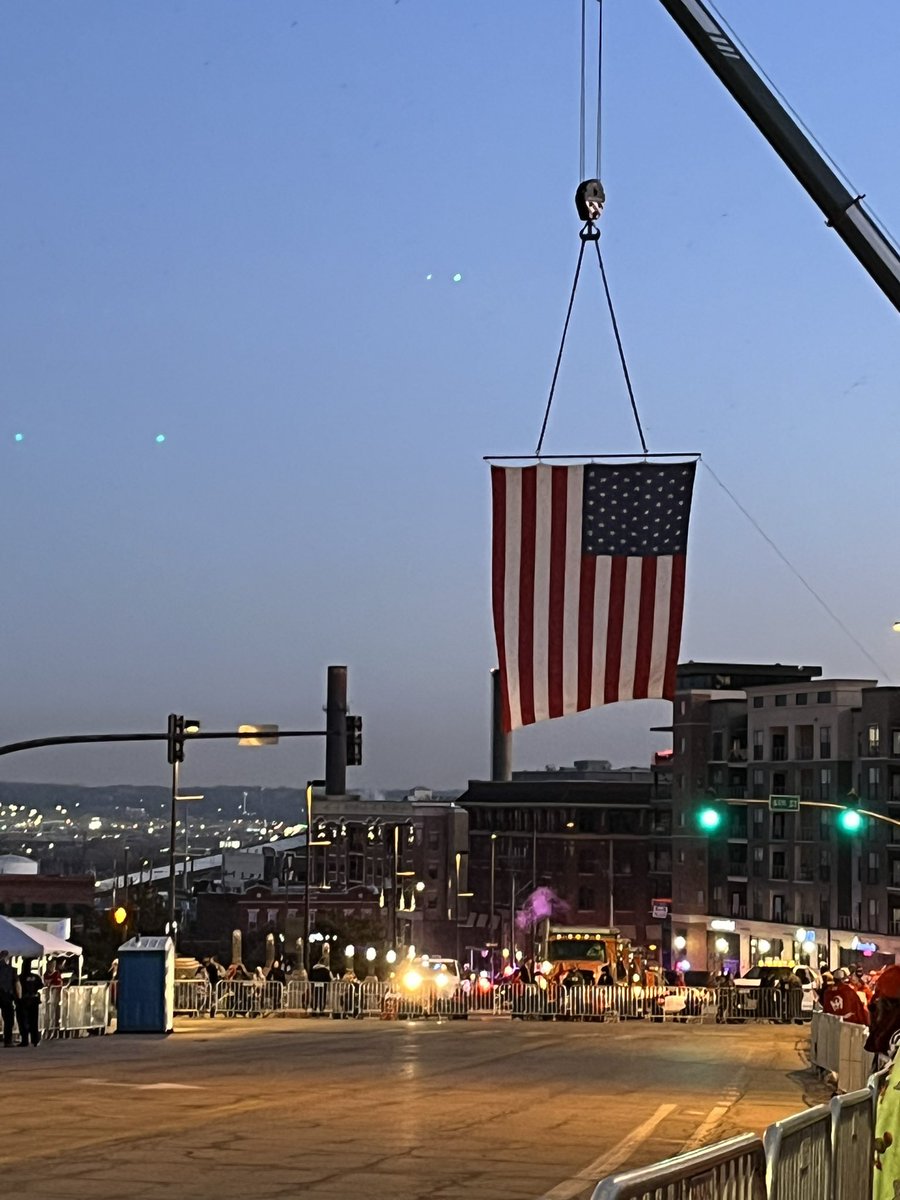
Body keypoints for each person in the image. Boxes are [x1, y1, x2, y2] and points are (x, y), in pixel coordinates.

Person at [16, 958, 42, 1047]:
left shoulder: (20, 977)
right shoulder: (35, 977)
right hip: (34, 1000)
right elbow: (40, 985)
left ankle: (25, 1040)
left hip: (23, 1001)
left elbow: (16, 987)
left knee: (23, 1021)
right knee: (34, 1021)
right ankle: (35, 1040)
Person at [0, 950, 19, 1047]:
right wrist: (18, 997)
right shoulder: (11, 970)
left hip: (5, 994)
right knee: (8, 1019)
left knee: (8, 1018)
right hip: (6, 995)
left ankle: (8, 1040)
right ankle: (8, 1041)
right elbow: (16, 984)